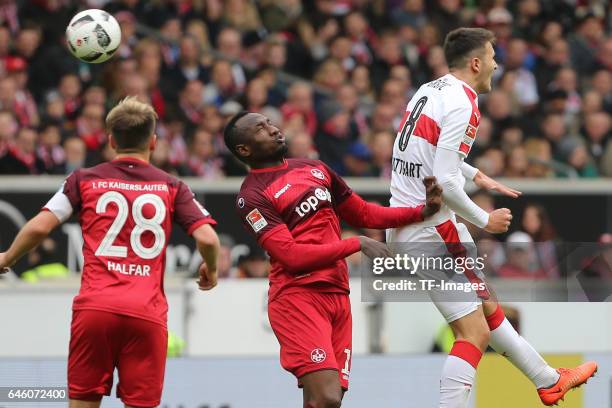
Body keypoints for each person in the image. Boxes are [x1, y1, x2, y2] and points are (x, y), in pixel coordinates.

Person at [387, 27, 597, 407]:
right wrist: (485, 220)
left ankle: (547, 379)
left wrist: (475, 174)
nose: (497, 65)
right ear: (476, 63)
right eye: (493, 57)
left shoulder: (429, 90)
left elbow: (428, 155)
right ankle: (541, 382)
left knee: (486, 303)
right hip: (430, 229)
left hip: (411, 220)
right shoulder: (465, 104)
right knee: (472, 334)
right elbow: (445, 181)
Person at [0, 97, 220, 408]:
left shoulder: (83, 179)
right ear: (153, 142)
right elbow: (208, 239)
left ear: (111, 140)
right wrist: (211, 269)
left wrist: (7, 258)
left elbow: (39, 227)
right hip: (147, 314)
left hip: (96, 310)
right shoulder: (173, 187)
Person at [223, 111, 442, 408]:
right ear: (244, 150)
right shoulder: (252, 197)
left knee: (325, 401)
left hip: (337, 294)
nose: (273, 130)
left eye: (270, 123)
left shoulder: (316, 169)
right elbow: (291, 256)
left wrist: (420, 212)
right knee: (325, 397)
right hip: (298, 297)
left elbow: (364, 213)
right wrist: (355, 243)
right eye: (260, 128)